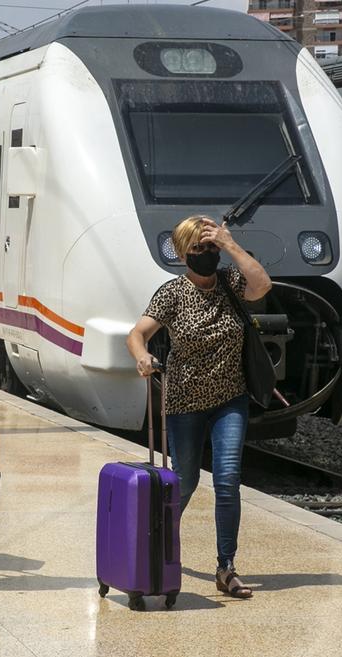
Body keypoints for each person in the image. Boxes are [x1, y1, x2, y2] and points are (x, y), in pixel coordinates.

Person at [125, 215, 273, 600]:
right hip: (185, 402)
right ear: (182, 253)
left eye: (210, 248)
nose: (206, 254)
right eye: (199, 249)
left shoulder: (232, 284)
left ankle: (226, 567)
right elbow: (137, 334)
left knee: (227, 480)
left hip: (230, 398)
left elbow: (263, 284)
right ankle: (157, 544)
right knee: (185, 481)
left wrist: (230, 245)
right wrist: (142, 357)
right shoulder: (172, 294)